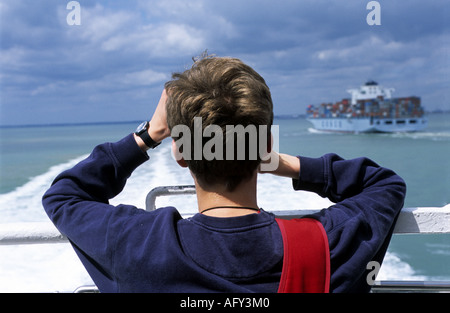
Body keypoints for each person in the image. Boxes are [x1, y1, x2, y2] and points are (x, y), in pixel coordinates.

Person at [42, 56, 406, 293]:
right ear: (264, 145)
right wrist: (279, 161)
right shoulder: (328, 246)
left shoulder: (138, 244)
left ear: (180, 153)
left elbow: (64, 196)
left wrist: (148, 135)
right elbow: (383, 184)